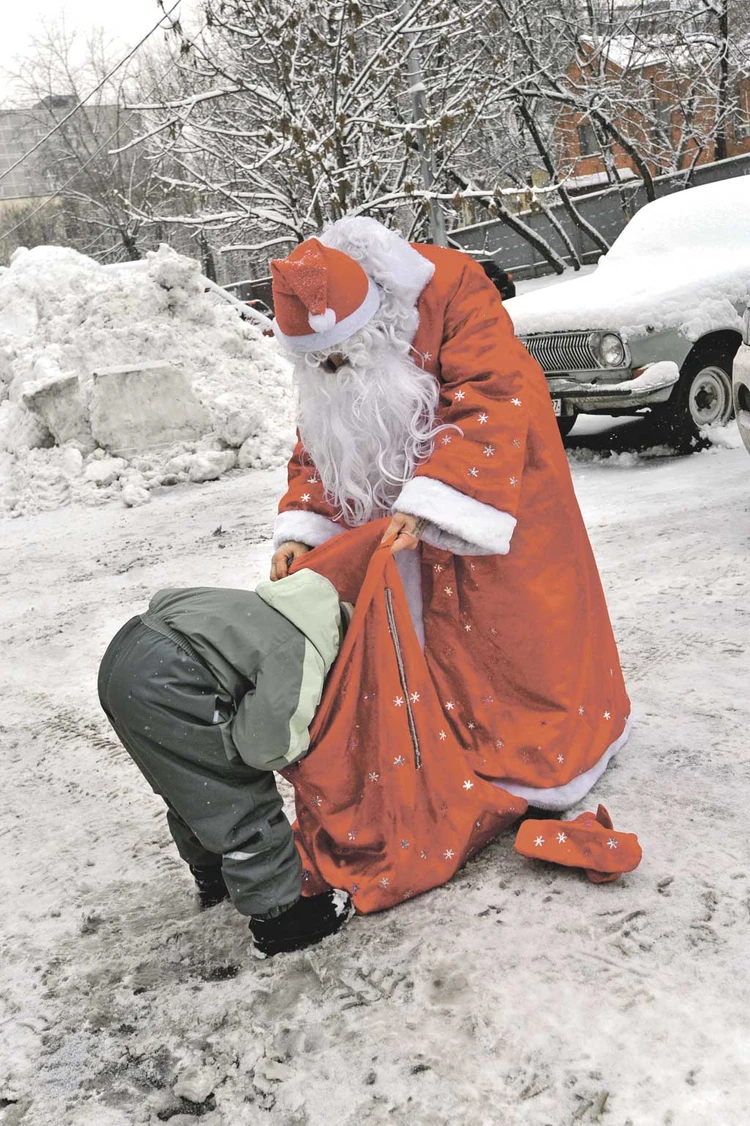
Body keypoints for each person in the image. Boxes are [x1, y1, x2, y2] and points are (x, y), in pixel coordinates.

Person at [268, 216, 630, 823]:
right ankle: (451, 745)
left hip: (500, 477)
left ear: (378, 323)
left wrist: (437, 494)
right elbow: (325, 438)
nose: (334, 371)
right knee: (426, 638)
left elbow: (494, 393)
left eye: (343, 358)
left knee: (517, 630)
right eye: (321, 365)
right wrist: (302, 525)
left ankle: (543, 758)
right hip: (407, 500)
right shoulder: (324, 340)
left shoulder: (453, 288)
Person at [97, 569, 353, 956]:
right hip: (170, 680)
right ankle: (280, 919)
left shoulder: (257, 607)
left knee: (190, 785)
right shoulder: (302, 650)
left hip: (121, 661)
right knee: (235, 791)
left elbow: (166, 596)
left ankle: (212, 874)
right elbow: (262, 747)